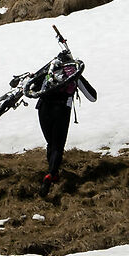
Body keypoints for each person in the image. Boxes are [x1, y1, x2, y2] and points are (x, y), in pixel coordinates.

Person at [35, 45, 97, 183]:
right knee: (58, 145)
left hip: (43, 107)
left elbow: (32, 88)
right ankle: (51, 174)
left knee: (50, 143)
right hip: (61, 110)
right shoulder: (74, 74)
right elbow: (92, 97)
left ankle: (52, 173)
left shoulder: (49, 71)